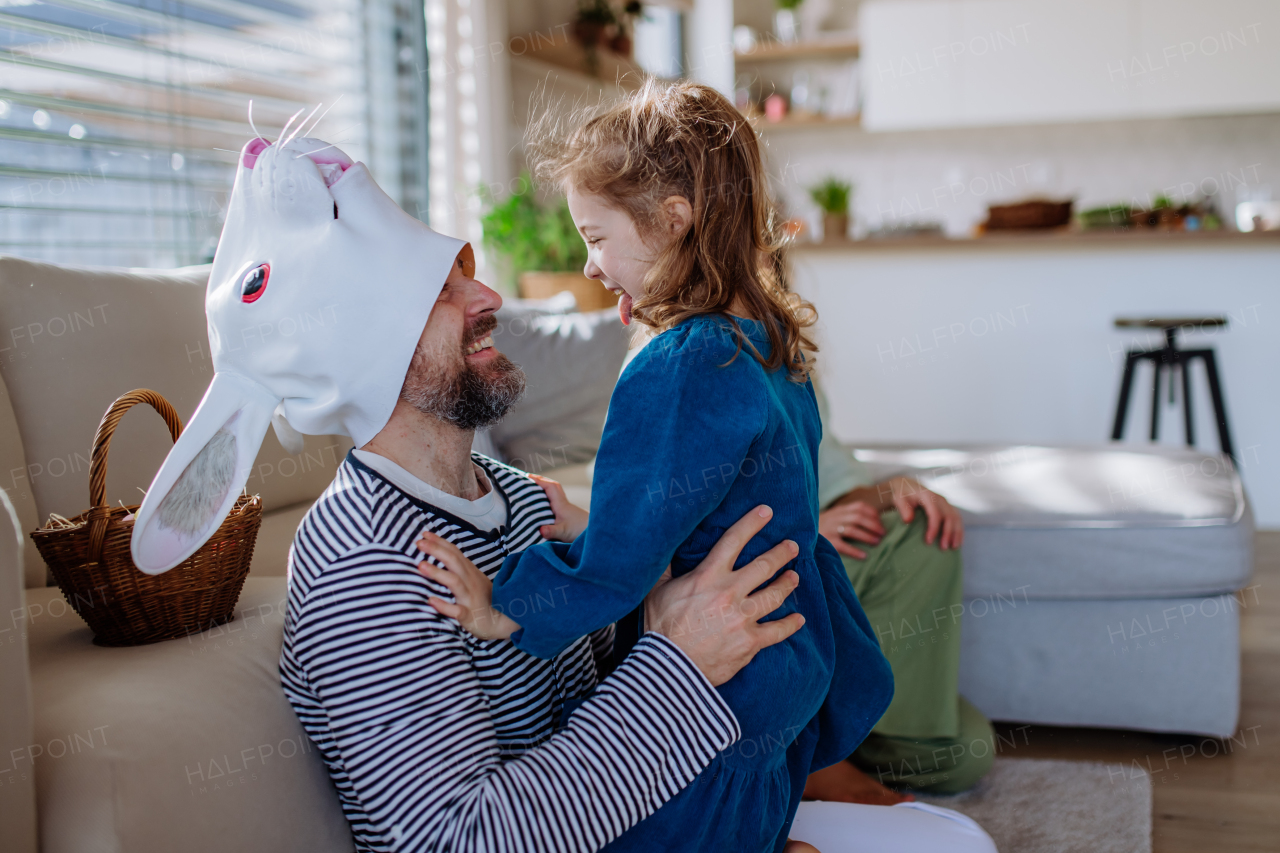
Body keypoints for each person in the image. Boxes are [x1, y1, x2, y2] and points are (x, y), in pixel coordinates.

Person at [420, 80, 992, 853]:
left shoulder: (680, 363)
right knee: (757, 802)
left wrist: (502, 606)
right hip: (790, 657)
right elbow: (730, 502)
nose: (590, 266)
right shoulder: (771, 346)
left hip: (724, 683)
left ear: (673, 220)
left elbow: (620, 559)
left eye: (596, 236)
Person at [279, 245, 808, 853]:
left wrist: (666, 597)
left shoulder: (526, 502)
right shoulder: (365, 562)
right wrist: (681, 664)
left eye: (467, 276)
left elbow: (610, 680)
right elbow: (456, 841)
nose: (490, 299)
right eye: (439, 292)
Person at [801, 384, 996, 805]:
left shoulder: (791, 365)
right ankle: (812, 758)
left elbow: (841, 490)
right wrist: (805, 530)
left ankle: (838, 737)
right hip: (776, 564)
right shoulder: (688, 369)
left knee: (968, 753)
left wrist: (895, 489)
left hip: (820, 554)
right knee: (917, 536)